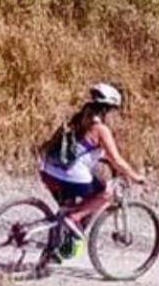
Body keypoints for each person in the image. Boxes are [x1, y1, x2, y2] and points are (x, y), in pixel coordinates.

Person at [39, 82, 145, 259]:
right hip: (68, 174)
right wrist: (135, 176)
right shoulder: (101, 129)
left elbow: (82, 150)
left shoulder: (78, 119)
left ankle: (53, 252)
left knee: (67, 207)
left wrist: (107, 161)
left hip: (48, 170)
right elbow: (117, 160)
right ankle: (75, 218)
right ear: (107, 108)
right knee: (106, 193)